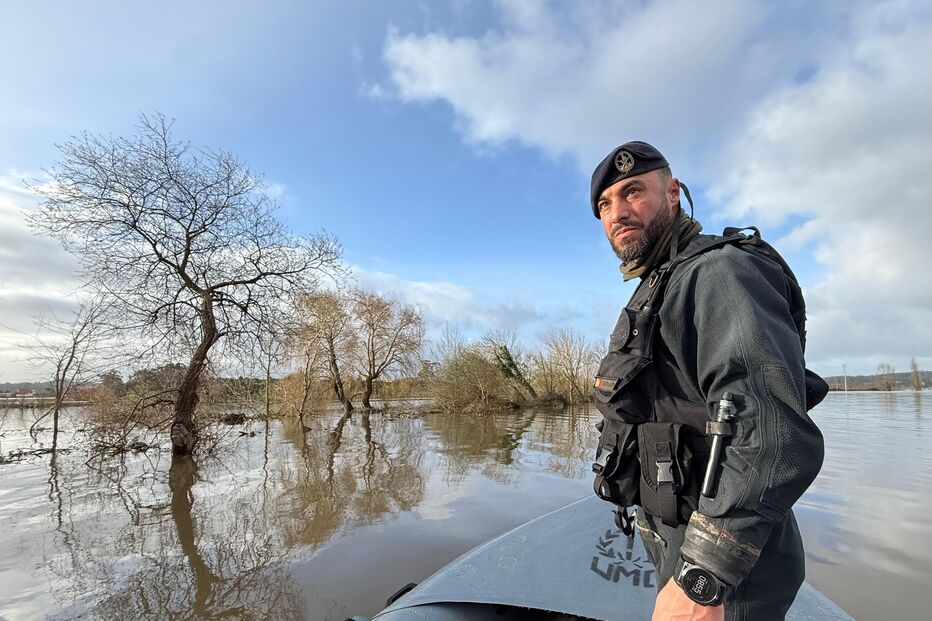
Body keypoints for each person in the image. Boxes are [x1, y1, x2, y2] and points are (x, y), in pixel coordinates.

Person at [588, 141, 828, 621]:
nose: (617, 212)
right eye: (605, 204)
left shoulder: (718, 272)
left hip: (728, 574)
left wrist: (706, 573)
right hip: (679, 534)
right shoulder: (661, 284)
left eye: (633, 192)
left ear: (673, 193)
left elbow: (772, 431)